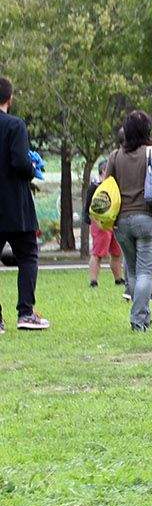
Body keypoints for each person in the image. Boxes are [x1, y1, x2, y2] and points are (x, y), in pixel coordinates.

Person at [105, 110, 152, 333]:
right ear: (147, 130)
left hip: (122, 222)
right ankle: (138, 320)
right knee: (146, 272)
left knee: (134, 272)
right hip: (149, 219)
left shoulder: (115, 156)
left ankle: (143, 318)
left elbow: (105, 183)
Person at [0, 78, 47, 333]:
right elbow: (19, 162)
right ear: (9, 99)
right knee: (28, 255)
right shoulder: (15, 125)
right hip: (15, 205)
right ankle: (26, 312)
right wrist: (32, 168)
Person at [86, 156, 125, 291]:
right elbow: (88, 208)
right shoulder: (96, 187)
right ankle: (93, 281)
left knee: (116, 252)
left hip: (114, 223)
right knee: (98, 253)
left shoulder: (115, 186)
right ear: (104, 170)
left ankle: (119, 279)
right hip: (100, 223)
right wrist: (94, 222)